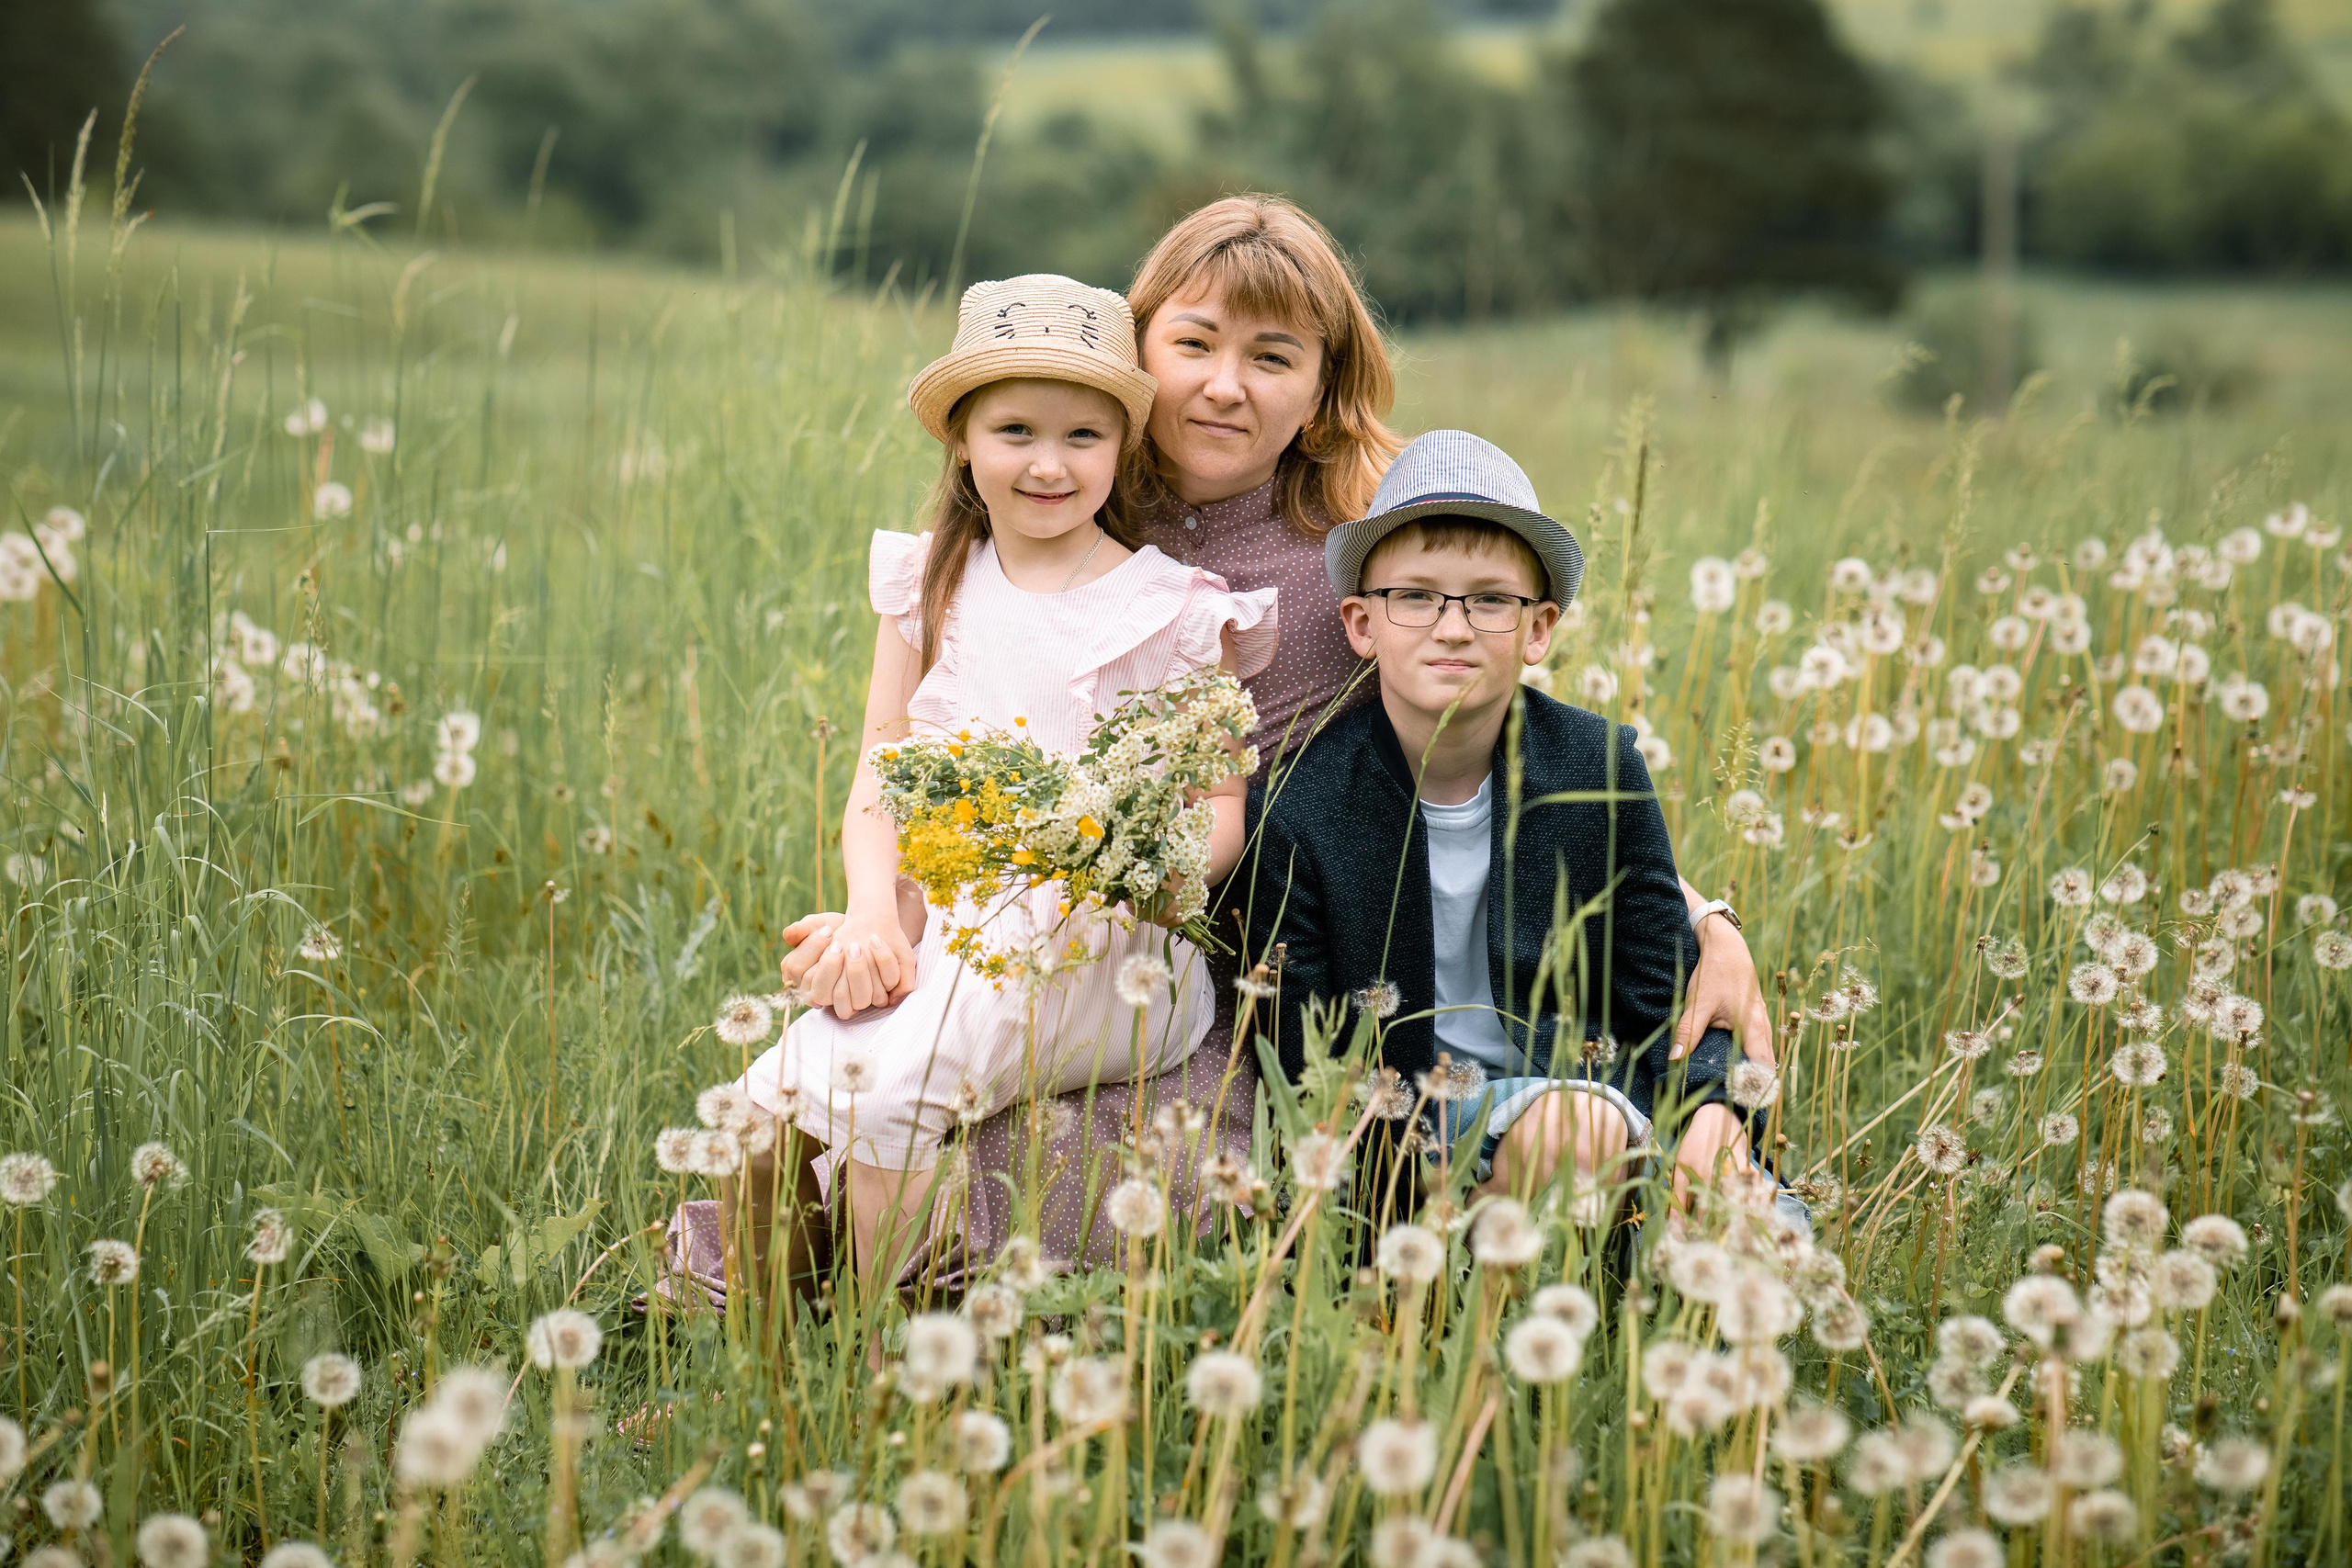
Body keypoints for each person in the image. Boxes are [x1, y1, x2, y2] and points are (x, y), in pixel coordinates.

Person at [732, 197, 1772, 1291]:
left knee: (1024, 1157)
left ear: (1322, 387)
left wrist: (1700, 914)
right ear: (1137, 352)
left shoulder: (1354, 557)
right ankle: (796, 1361)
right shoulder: (1055, 495)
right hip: (1014, 933)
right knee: (816, 1101)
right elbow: (927, 734)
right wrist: (884, 909)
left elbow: (1494, 746)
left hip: (1258, 983)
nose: (1225, 385)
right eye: (1192, 344)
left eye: (1272, 357)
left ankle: (952, 1346)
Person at [730, 273, 1277, 1290]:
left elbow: (1218, 818)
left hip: (1110, 954)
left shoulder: (1177, 613)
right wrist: (869, 919)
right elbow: (879, 778)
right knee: (773, 1092)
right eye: (1015, 430)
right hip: (956, 932)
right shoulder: (931, 580)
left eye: (1083, 436)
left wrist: (1128, 861)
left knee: (890, 1091)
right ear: (964, 441)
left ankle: (878, 1361)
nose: (1047, 463)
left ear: (1122, 447)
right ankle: (757, 1362)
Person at [1249, 428, 1776, 1226]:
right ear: (1362, 623)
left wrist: (1717, 1113)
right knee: (1580, 1129)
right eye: (1415, 595)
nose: (1453, 627)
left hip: (1604, 1106)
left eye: (1491, 599)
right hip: (1407, 1140)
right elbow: (1305, 1065)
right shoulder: (1305, 806)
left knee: (1750, 1220)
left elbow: (1667, 990)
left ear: (1539, 628)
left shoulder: (1596, 766)